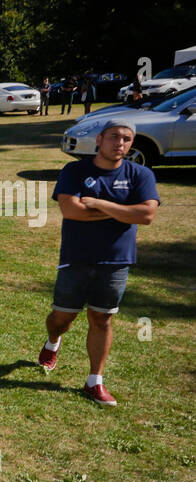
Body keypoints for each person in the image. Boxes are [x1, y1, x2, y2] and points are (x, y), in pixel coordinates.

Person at [38, 118, 160, 405]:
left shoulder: (140, 174)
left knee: (102, 318)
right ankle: (53, 341)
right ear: (99, 140)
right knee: (62, 318)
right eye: (114, 137)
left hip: (115, 260)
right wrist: (125, 210)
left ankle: (95, 381)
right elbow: (71, 210)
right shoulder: (75, 170)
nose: (120, 143)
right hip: (76, 257)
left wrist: (99, 203)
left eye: (127, 139)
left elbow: (147, 215)